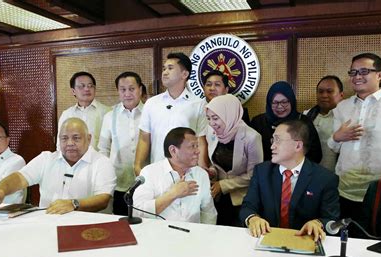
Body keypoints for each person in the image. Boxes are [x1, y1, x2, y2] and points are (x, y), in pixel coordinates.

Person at [328, 53, 381, 224]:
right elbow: (333, 147)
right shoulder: (342, 107)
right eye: (353, 72)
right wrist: (337, 137)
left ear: (379, 75)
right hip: (345, 188)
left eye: (364, 71)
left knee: (377, 240)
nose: (357, 77)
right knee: (346, 237)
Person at [0, 118, 116, 214]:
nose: (69, 143)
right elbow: (20, 178)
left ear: (89, 138)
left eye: (76, 138)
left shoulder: (102, 163)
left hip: (89, 226)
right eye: (64, 138)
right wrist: (2, 189)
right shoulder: (46, 159)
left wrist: (73, 204)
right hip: (48, 223)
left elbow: (103, 199)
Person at [240, 119, 340, 241]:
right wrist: (252, 218)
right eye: (273, 140)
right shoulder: (262, 172)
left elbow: (331, 220)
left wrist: (318, 223)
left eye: (278, 140)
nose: (272, 146)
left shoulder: (325, 178)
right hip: (268, 238)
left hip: (304, 241)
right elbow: (247, 207)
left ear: (298, 145)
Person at [134, 52, 208, 175]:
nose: (165, 72)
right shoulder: (152, 103)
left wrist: (202, 171)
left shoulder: (199, 104)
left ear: (184, 74)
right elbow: (144, 139)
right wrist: (137, 166)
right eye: (164, 69)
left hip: (188, 173)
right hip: (157, 172)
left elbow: (201, 141)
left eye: (170, 68)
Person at [133, 127, 217, 224]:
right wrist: (173, 194)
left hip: (193, 236)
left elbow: (208, 213)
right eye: (192, 146)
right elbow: (138, 212)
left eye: (197, 146)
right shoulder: (150, 173)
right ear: (173, 150)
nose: (198, 151)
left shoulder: (201, 174)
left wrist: (206, 236)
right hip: (159, 235)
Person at [205, 94, 263, 226]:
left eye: (215, 118)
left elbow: (254, 175)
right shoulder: (213, 132)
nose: (211, 123)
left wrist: (223, 185)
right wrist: (212, 171)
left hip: (242, 200)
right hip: (218, 198)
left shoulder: (252, 137)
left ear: (229, 115)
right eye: (208, 118)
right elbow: (216, 163)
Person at [98, 72, 144, 215]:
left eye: (132, 89)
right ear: (118, 91)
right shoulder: (110, 116)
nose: (127, 93)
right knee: (121, 225)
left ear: (140, 90)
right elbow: (103, 148)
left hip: (146, 180)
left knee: (147, 222)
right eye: (123, 89)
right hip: (119, 182)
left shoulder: (151, 112)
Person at [250, 81, 322, 163]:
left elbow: (316, 155)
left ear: (291, 101)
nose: (280, 106)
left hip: (296, 173)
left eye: (284, 102)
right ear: (269, 103)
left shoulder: (303, 122)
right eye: (275, 102)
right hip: (265, 172)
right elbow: (252, 154)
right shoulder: (258, 122)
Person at [57, 71, 109, 151]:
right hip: (74, 161)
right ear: (73, 91)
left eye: (90, 86)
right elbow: (60, 145)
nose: (87, 89)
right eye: (81, 86)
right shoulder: (67, 114)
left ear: (95, 89)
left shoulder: (107, 112)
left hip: (99, 161)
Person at [304, 75, 344, 172]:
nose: (324, 95)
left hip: (337, 176)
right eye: (320, 91)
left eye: (330, 91)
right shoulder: (306, 116)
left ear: (341, 95)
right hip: (310, 175)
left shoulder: (347, 119)